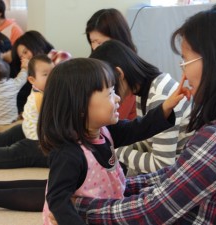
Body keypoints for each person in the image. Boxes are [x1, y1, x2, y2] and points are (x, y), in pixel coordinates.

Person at [49, 4, 216, 225]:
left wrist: (80, 206)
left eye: (186, 60)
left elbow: (151, 210)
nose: (184, 72)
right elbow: (174, 174)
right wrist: (120, 185)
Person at [38, 57, 184, 225]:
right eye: (109, 94)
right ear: (80, 107)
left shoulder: (105, 131)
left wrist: (166, 107)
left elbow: (138, 128)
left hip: (106, 214)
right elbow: (57, 200)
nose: (117, 99)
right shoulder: (69, 154)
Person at [90, 39, 192, 176]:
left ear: (119, 74)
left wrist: (115, 152)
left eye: (109, 88)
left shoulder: (160, 94)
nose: (113, 96)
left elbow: (162, 164)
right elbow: (147, 141)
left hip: (180, 175)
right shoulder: (144, 90)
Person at [0, 54, 54, 168]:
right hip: (29, 128)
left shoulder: (43, 92)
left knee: (10, 152)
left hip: (37, 139)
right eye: (45, 74)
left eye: (53, 73)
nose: (51, 77)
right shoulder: (38, 91)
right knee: (5, 137)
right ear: (32, 80)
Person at [86, 8, 137, 120]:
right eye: (92, 42)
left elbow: (113, 119)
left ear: (118, 41)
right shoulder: (96, 68)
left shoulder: (125, 73)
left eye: (100, 43)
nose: (94, 48)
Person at [11, 30, 72, 113]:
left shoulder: (60, 56)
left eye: (25, 52)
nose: (25, 58)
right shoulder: (31, 71)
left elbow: (58, 87)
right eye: (21, 57)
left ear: (36, 44)